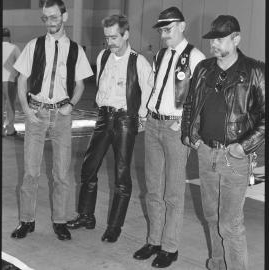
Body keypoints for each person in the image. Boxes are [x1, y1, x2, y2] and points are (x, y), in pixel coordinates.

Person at [181, 15, 265, 270]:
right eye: (211, 39)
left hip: (234, 157)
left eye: (219, 39)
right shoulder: (204, 68)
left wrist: (243, 146)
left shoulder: (255, 71)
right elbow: (189, 105)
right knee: (211, 216)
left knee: (230, 223)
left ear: (236, 39)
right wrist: (189, 135)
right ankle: (217, 263)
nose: (213, 44)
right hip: (206, 153)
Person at [11, 0, 93, 241]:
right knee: (30, 172)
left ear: (64, 17)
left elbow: (79, 84)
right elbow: (21, 79)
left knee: (61, 173)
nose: (50, 22)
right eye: (45, 18)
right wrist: (26, 109)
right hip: (36, 114)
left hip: (61, 117)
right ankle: (27, 220)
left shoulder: (76, 50)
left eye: (54, 17)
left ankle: (59, 221)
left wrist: (71, 105)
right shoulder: (33, 46)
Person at [66, 14, 152, 243]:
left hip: (125, 120)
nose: (110, 42)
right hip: (104, 117)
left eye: (114, 37)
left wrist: (140, 119)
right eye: (107, 38)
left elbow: (149, 94)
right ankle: (86, 216)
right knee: (88, 167)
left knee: (122, 176)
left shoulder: (139, 62)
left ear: (126, 35)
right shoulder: (103, 55)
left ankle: (115, 226)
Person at [133, 6, 205, 268]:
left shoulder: (196, 57)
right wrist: (144, 115)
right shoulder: (161, 54)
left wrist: (185, 126)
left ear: (182, 26)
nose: (164, 35)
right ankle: (154, 240)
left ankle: (170, 246)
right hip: (153, 124)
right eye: (161, 30)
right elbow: (152, 86)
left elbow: (200, 98)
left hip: (176, 130)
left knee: (173, 193)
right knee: (153, 189)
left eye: (168, 29)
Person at [2, 27, 21, 136]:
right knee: (10, 105)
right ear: (9, 37)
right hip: (9, 81)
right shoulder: (14, 48)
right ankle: (10, 129)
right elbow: (20, 65)